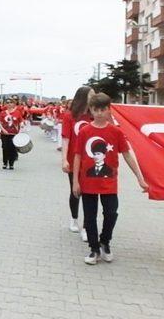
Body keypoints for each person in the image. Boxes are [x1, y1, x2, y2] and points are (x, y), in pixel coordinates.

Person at [72, 93, 148, 265]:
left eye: (103, 109)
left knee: (111, 214)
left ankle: (105, 242)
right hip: (88, 182)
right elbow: (77, 156)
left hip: (109, 183)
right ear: (91, 110)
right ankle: (93, 249)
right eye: (96, 109)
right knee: (90, 217)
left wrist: (140, 178)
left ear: (108, 110)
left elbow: (127, 155)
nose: (99, 113)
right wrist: (75, 181)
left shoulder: (116, 132)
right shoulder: (85, 131)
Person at [62, 87, 95, 240]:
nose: (93, 96)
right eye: (91, 94)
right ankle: (74, 218)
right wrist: (64, 159)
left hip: (91, 161)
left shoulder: (94, 116)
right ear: (83, 97)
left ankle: (87, 227)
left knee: (90, 194)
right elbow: (66, 139)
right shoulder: (69, 116)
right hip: (74, 160)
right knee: (75, 192)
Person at [0, 98, 23, 170]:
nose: (9, 104)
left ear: (14, 104)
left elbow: (20, 121)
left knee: (12, 148)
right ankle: (5, 163)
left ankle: (11, 163)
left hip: (14, 133)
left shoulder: (17, 112)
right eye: (7, 102)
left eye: (11, 102)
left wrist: (22, 125)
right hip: (4, 133)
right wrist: (3, 130)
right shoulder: (3, 113)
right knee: (5, 148)